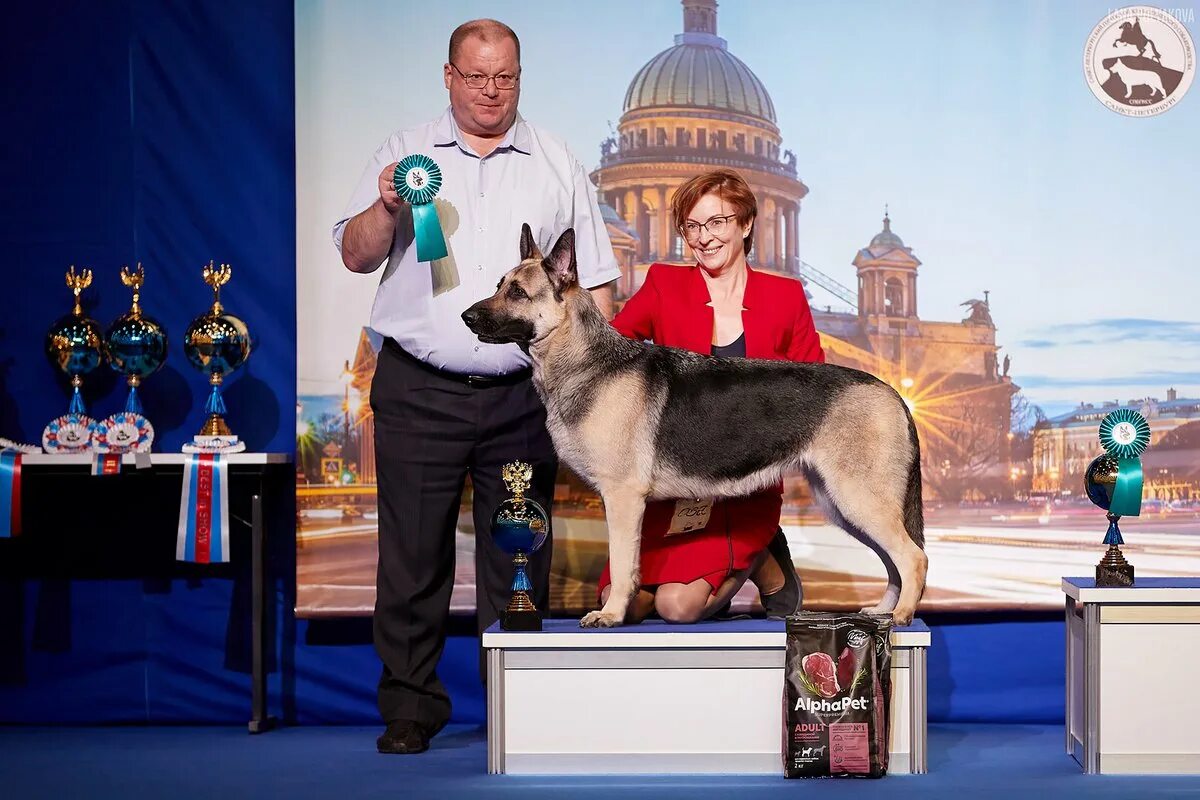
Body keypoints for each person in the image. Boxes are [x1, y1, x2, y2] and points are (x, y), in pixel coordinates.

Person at [333, 19, 619, 755]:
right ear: (450, 77)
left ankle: (516, 708)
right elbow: (354, 254)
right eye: (477, 76)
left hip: (525, 400)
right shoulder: (406, 156)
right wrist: (391, 204)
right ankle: (410, 707)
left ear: (520, 76)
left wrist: (598, 388)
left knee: (518, 557)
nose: (492, 90)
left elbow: (598, 291)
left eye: (506, 76)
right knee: (412, 557)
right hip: (419, 391)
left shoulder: (558, 161)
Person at [596, 169, 825, 624]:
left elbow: (812, 388)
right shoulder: (663, 283)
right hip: (675, 492)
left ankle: (763, 555)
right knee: (627, 606)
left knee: (676, 607)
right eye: (693, 226)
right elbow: (609, 349)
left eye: (717, 222)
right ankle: (751, 558)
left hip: (745, 488)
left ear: (746, 224)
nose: (704, 238)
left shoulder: (786, 297)